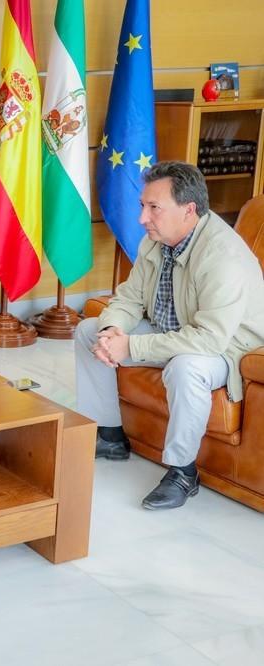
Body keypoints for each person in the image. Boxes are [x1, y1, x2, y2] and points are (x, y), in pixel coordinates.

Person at [75, 161, 264, 510]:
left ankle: (182, 471)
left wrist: (129, 345)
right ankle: (110, 435)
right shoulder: (158, 240)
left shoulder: (223, 257)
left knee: (186, 368)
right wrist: (111, 330)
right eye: (142, 206)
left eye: (153, 208)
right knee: (88, 331)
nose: (142, 218)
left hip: (225, 351)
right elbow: (130, 297)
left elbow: (208, 340)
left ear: (188, 210)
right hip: (171, 332)